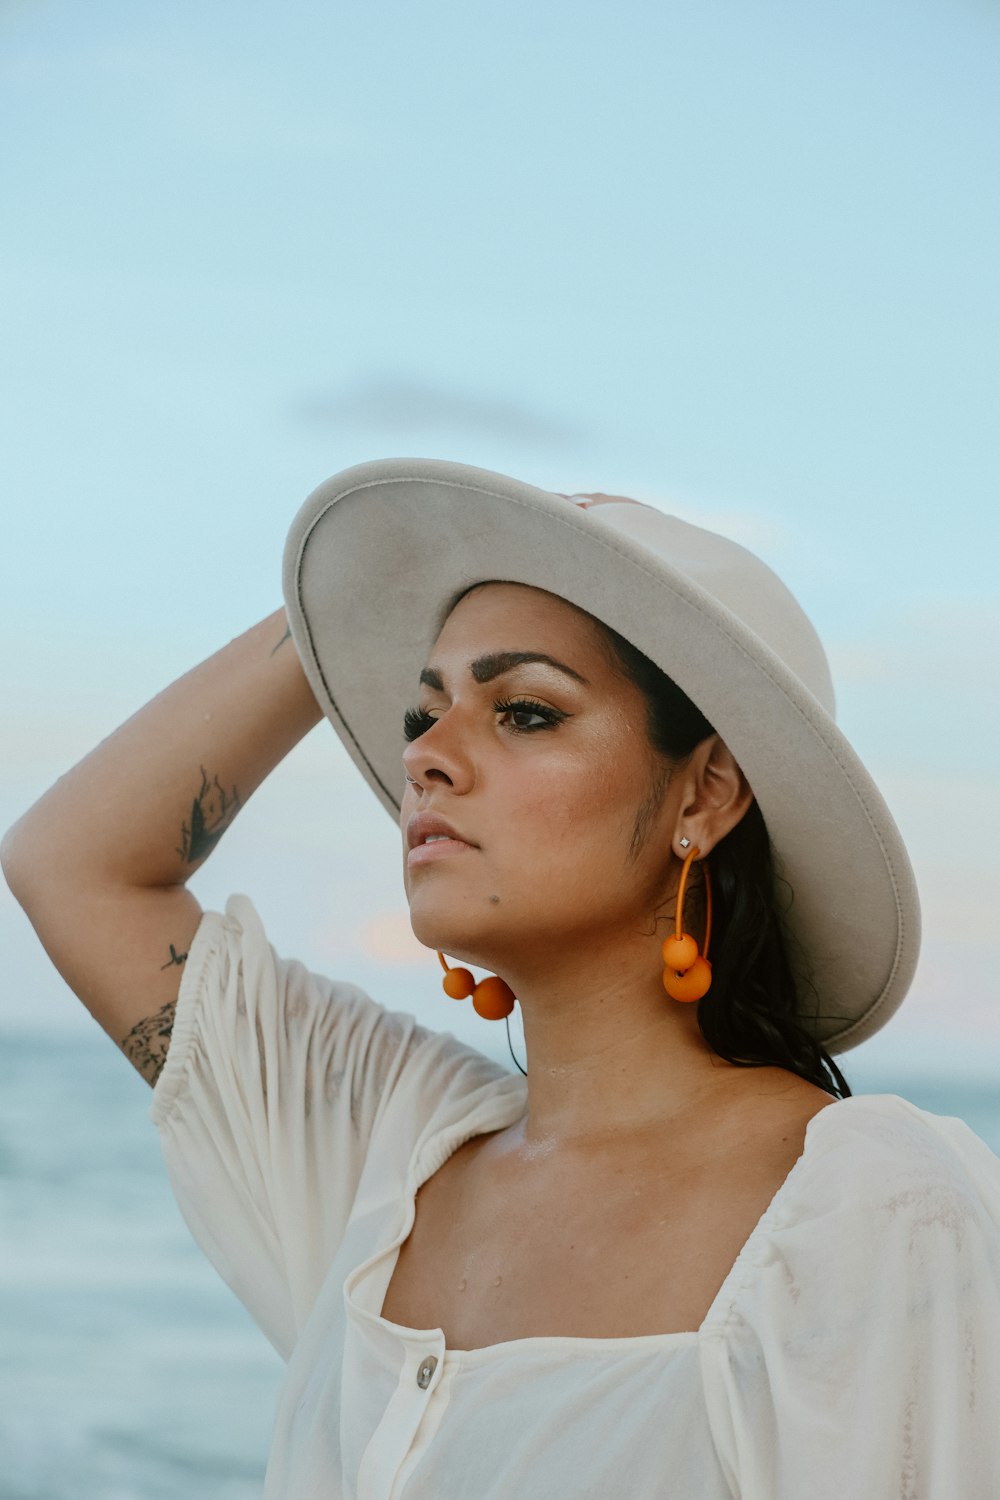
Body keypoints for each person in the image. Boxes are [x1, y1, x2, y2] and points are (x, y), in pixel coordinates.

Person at [4, 456, 1000, 1497]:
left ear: (704, 794)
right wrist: (356, 598)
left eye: (524, 710)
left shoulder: (867, 1207)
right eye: (419, 714)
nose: (426, 756)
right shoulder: (389, 1155)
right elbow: (71, 869)